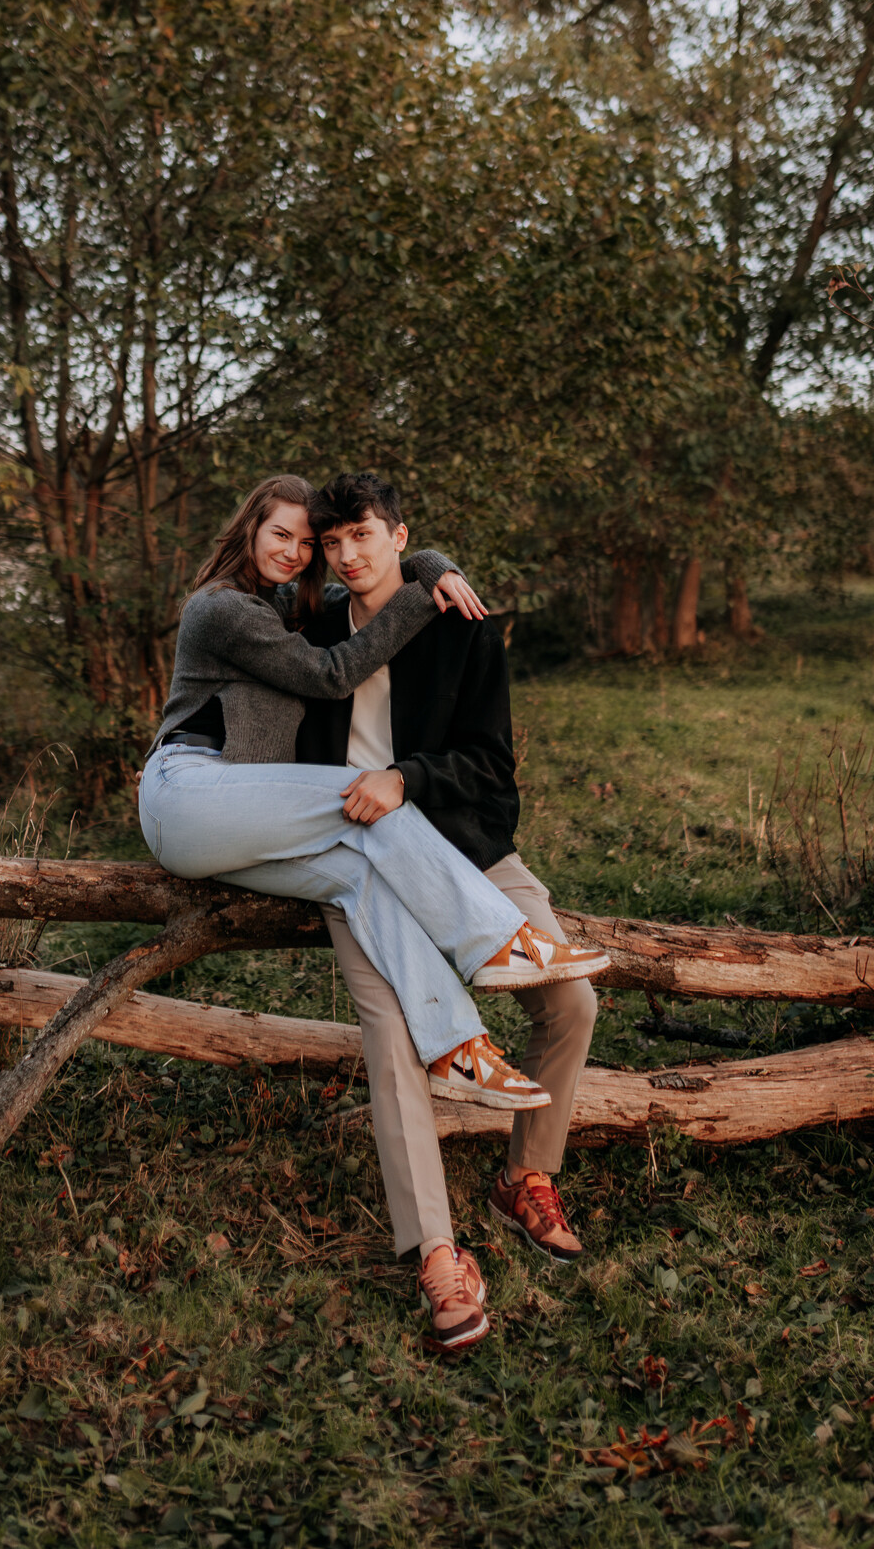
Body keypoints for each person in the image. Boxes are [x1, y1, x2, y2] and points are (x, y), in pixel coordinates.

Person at [137, 475, 608, 1127]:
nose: (297, 552)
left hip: (240, 820)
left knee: (357, 876)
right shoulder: (222, 608)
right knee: (361, 794)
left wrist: (432, 566)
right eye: (282, 534)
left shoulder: (283, 606)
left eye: (310, 542)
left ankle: (456, 1049)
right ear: (249, 529)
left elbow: (372, 584)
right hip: (186, 791)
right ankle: (499, 943)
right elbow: (332, 674)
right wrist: (424, 587)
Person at [295, 471, 602, 1353]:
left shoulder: (459, 623)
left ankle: (525, 1176)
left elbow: (489, 764)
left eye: (362, 535)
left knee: (571, 1001)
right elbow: (226, 646)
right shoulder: (311, 629)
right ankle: (437, 1249)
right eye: (331, 542)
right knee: (394, 1036)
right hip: (357, 863)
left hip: (465, 846)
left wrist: (406, 779)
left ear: (397, 536)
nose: (346, 555)